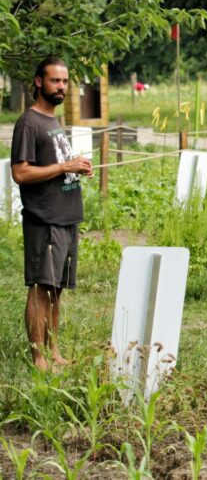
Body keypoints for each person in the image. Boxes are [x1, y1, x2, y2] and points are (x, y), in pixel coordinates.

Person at [10, 57, 93, 371]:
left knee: (56, 289)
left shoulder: (53, 121)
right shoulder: (29, 122)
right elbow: (21, 173)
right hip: (44, 219)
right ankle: (38, 357)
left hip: (66, 217)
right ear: (38, 82)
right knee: (40, 287)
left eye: (65, 81)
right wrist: (64, 167)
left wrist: (76, 167)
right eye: (55, 81)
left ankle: (54, 350)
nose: (61, 87)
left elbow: (56, 166)